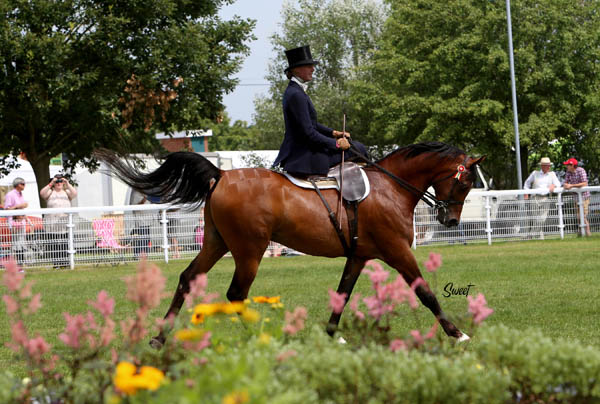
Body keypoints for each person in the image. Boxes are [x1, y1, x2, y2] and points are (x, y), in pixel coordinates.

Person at [273, 45, 368, 176]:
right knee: (359, 149)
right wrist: (337, 144)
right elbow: (309, 133)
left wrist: (334, 133)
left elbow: (310, 124)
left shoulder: (296, 91)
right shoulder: (296, 94)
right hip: (305, 156)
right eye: (309, 66)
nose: (313, 69)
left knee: (355, 146)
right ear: (296, 70)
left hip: (304, 151)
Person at [40, 174, 77, 268]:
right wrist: (51, 183)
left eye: (60, 181)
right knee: (54, 244)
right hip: (52, 224)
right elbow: (42, 193)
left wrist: (67, 183)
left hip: (64, 224)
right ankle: (56, 264)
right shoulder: (50, 193)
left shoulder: (67, 192)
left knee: (65, 243)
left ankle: (64, 262)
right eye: (57, 181)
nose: (59, 183)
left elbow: (74, 193)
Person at [523, 157, 560, 239]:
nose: (549, 167)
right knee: (536, 219)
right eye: (547, 165)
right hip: (535, 197)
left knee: (542, 219)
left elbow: (558, 184)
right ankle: (540, 237)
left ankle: (530, 235)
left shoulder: (552, 174)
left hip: (546, 198)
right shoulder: (534, 173)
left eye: (549, 165)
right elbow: (527, 183)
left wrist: (553, 185)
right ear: (542, 166)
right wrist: (526, 192)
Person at [562, 158, 591, 236]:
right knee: (578, 216)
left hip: (584, 196)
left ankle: (587, 232)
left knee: (582, 215)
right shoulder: (568, 172)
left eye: (568, 165)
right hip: (576, 197)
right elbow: (566, 182)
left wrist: (571, 185)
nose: (566, 166)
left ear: (572, 165)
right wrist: (566, 185)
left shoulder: (581, 170)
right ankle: (581, 232)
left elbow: (585, 183)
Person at [4, 177, 30, 265]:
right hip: (14, 222)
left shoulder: (20, 194)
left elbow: (21, 207)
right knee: (17, 243)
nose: (24, 185)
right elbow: (7, 209)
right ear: (17, 185)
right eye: (22, 184)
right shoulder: (10, 194)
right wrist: (19, 206)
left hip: (21, 221)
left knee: (21, 243)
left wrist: (25, 215)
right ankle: (18, 264)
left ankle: (21, 263)